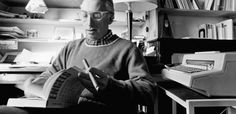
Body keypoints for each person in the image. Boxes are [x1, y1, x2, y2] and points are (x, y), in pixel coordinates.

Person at [0, 0, 156, 113]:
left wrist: (110, 85)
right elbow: (48, 76)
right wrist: (32, 85)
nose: (89, 23)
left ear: (110, 17)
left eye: (97, 15)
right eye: (84, 15)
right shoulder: (71, 47)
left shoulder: (127, 48)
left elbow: (148, 91)